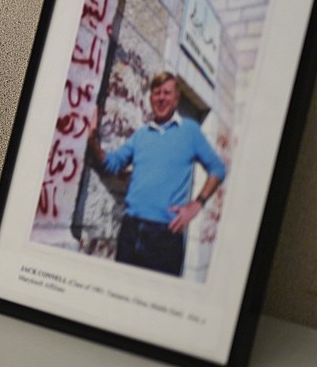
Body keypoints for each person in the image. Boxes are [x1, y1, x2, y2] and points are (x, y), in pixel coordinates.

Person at [89, 71, 227, 276]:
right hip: (130, 230)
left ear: (176, 99)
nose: (161, 98)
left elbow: (218, 169)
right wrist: (91, 137)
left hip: (164, 237)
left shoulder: (190, 131)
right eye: (156, 93)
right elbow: (112, 164)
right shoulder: (141, 135)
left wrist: (197, 204)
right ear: (151, 98)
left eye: (167, 93)